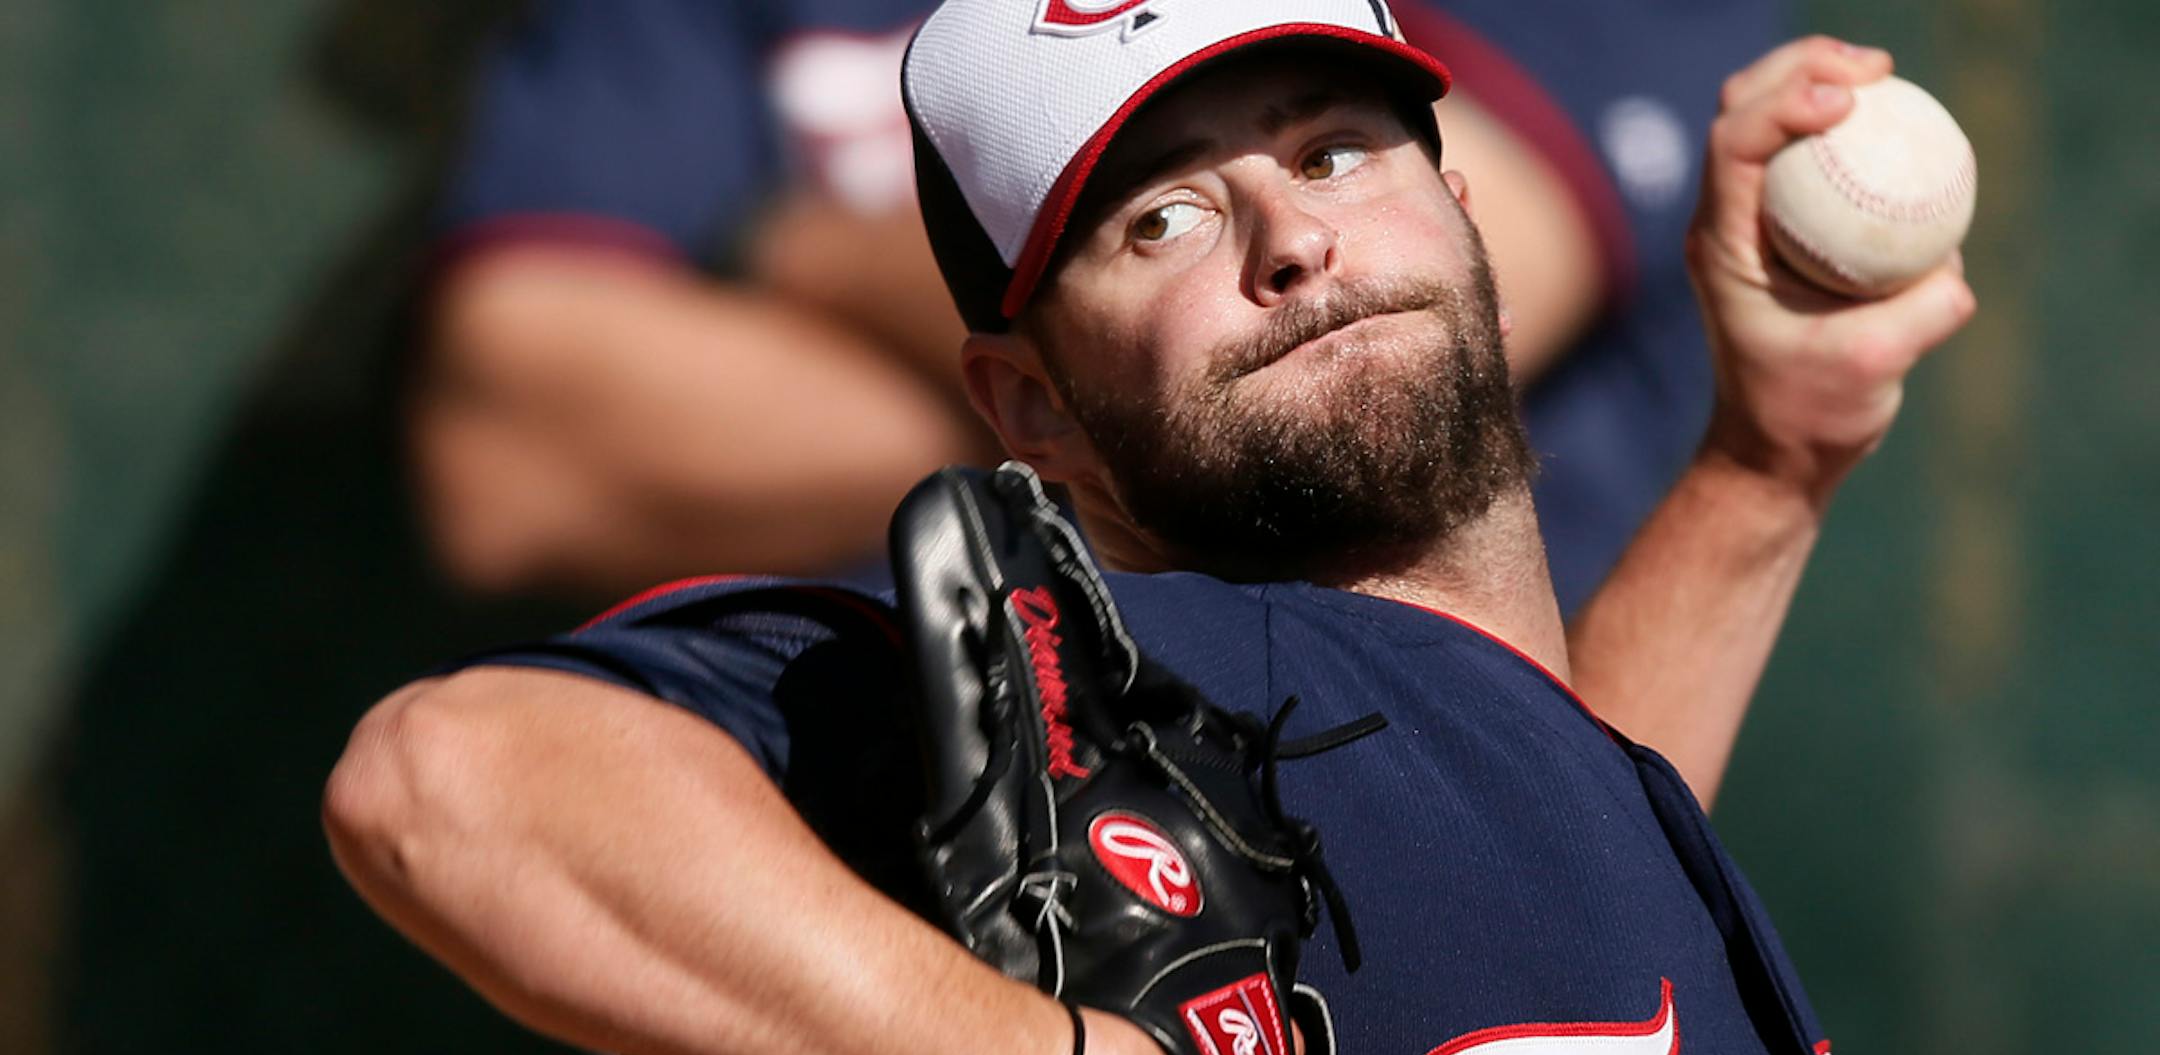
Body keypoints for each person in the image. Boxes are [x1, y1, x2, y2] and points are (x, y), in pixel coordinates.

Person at [327, 1, 1973, 1055]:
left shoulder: (1518, 775)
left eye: (1335, 153)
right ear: (1033, 411)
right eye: (1164, 217)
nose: (1288, 239)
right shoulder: (1125, 687)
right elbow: (449, 777)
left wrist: (1767, 469)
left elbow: (1543, 863)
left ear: (1458, 210)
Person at [414, 0, 1779, 603]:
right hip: (825, 821)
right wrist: (1139, 411)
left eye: (1327, 149)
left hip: (1387, 819)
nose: (1282, 233)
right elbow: (518, 454)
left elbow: (1371, 354)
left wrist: (796, 251)